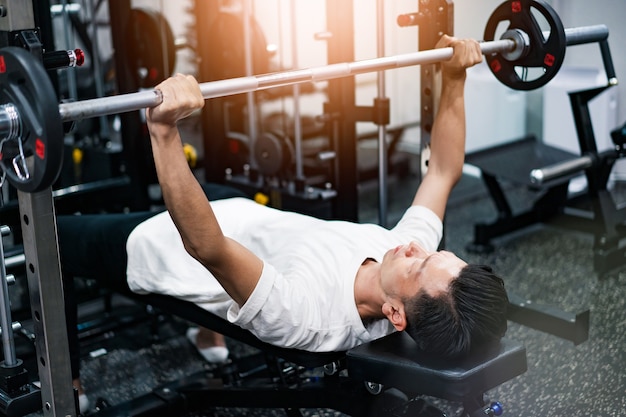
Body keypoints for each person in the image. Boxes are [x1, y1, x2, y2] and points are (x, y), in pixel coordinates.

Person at [57, 35, 508, 410]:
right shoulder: (411, 263)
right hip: (239, 213)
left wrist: (163, 132)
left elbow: (206, 246)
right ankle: (207, 327)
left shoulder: (307, 315)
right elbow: (444, 170)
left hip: (163, 247)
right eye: (434, 252)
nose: (414, 248)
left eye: (418, 265)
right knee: (195, 191)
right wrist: (454, 77)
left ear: (394, 314)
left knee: (53, 237)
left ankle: (65, 385)